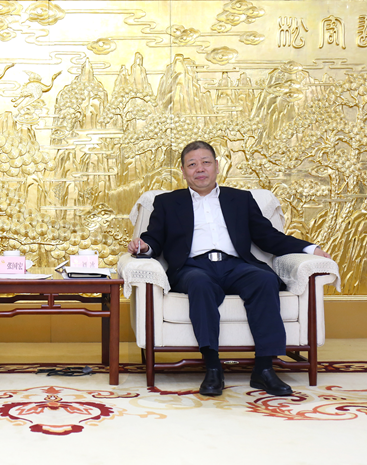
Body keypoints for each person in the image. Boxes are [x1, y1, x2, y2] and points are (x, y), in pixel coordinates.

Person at [128, 141, 330, 397]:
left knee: (264, 280)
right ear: (183, 171)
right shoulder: (167, 202)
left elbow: (268, 237)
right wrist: (144, 246)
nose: (200, 169)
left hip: (236, 265)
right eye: (192, 164)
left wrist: (309, 249)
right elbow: (154, 238)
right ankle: (213, 368)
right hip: (192, 267)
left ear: (216, 166)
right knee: (200, 284)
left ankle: (264, 369)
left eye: (206, 162)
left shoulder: (240, 199)